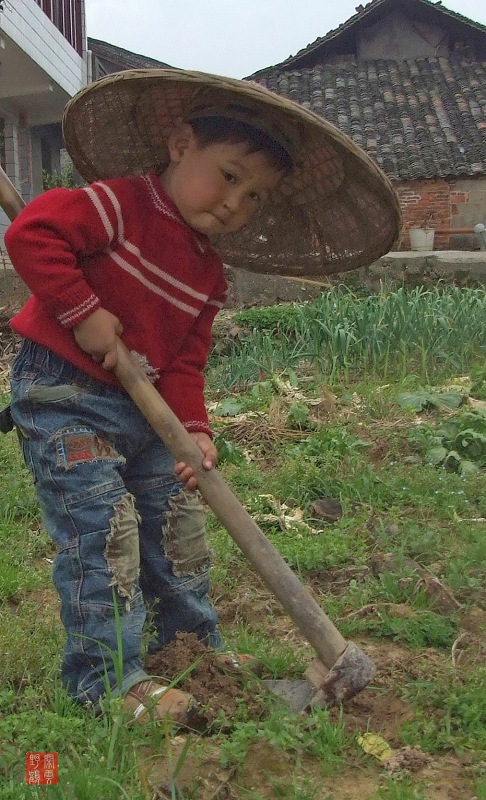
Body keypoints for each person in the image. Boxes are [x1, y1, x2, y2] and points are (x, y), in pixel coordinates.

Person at [4, 69, 400, 725]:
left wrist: (196, 430)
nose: (234, 202)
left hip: (146, 412)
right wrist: (83, 312)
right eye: (229, 174)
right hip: (66, 395)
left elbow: (186, 360)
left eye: (254, 196)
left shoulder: (208, 271)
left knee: (179, 532)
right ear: (181, 143)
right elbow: (31, 236)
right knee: (105, 536)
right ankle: (104, 685)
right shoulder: (116, 204)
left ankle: (189, 651)